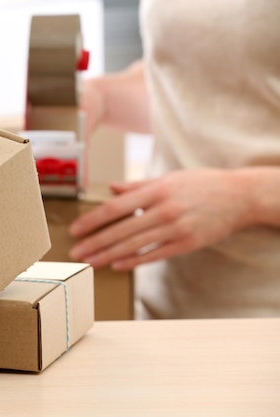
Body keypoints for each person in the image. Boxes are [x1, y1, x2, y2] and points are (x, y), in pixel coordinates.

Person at [69, 0, 280, 319]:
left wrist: (247, 196)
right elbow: (191, 79)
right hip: (162, 303)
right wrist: (104, 96)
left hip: (265, 316)